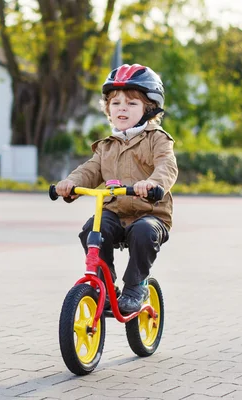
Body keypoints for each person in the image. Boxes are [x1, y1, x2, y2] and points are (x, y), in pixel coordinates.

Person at [55, 64, 178, 314]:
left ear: (149, 109)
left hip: (150, 214)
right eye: (115, 103)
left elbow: (167, 166)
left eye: (132, 103)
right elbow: (90, 170)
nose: (122, 107)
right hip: (114, 212)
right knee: (92, 230)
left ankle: (135, 287)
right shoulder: (106, 146)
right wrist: (71, 184)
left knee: (143, 232)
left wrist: (153, 184)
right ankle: (105, 284)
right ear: (108, 109)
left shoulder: (157, 139)